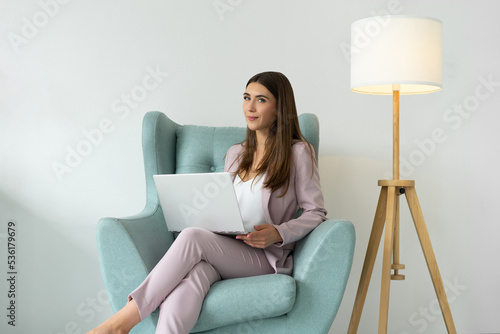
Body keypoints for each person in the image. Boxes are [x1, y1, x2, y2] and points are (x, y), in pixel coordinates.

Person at [87, 71, 327, 334]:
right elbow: (224, 204)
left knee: (193, 238)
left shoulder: (298, 152)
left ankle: (120, 324)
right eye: (247, 98)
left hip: (265, 257)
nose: (250, 106)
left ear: (279, 108)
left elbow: (316, 211)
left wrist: (278, 233)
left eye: (261, 100)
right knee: (194, 277)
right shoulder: (236, 153)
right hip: (226, 246)